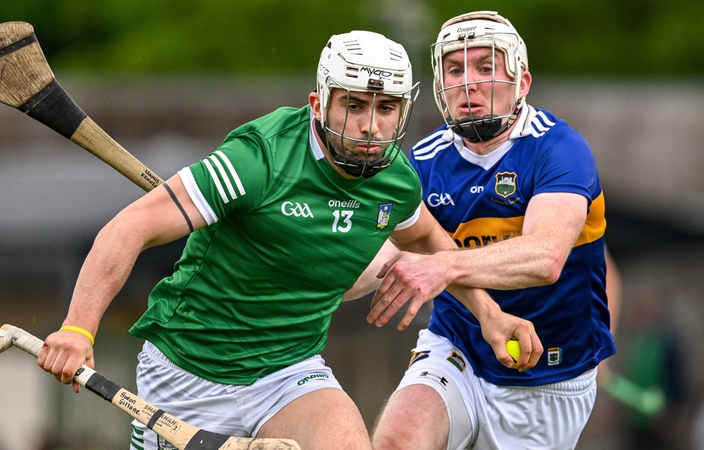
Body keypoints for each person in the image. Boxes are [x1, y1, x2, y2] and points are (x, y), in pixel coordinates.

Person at [36, 30, 539, 450]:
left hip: (288, 372)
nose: (370, 126)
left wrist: (490, 314)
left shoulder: (395, 181)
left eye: (386, 107)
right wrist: (78, 330)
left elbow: (429, 237)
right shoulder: (259, 159)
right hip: (189, 370)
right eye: (354, 105)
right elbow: (129, 228)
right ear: (319, 103)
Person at [369, 11, 616, 450]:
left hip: (550, 373)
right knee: (397, 440)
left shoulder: (559, 149)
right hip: (455, 348)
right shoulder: (421, 162)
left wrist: (444, 266)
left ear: (521, 83)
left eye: (485, 68)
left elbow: (545, 258)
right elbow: (381, 255)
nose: (468, 83)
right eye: (455, 70)